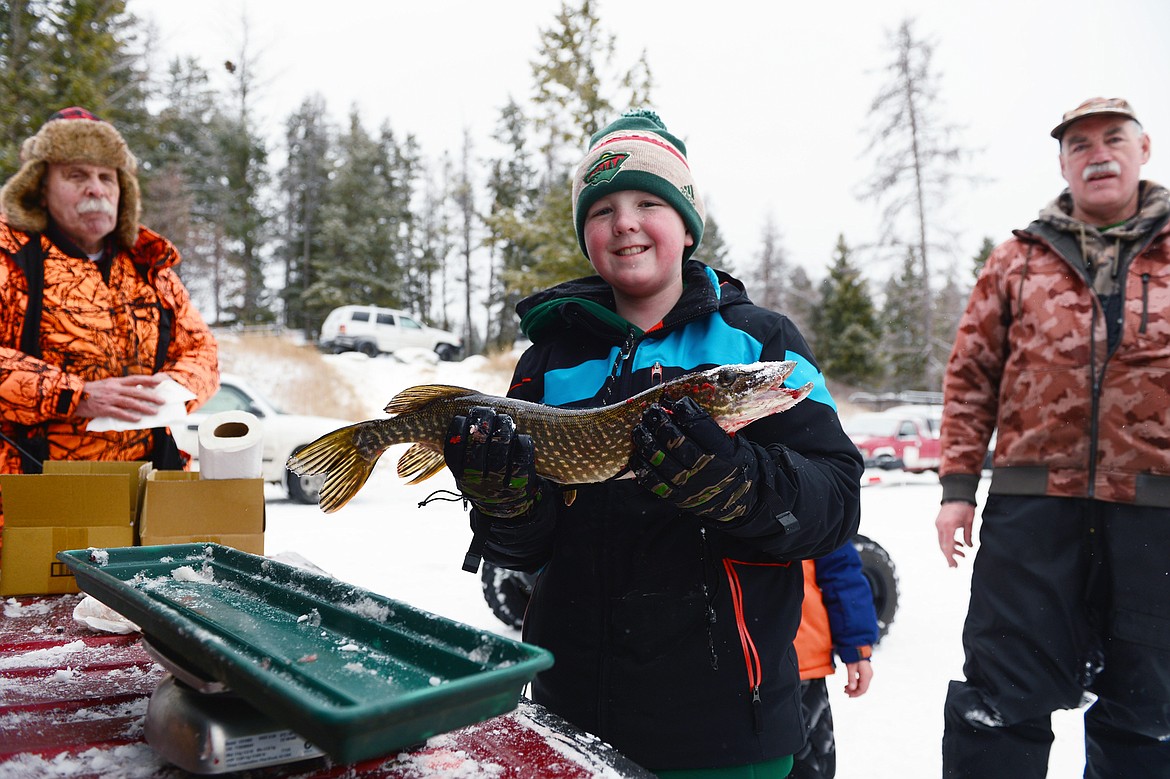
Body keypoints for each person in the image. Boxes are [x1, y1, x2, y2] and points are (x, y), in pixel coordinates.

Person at [442, 109, 863, 777]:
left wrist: (738, 482)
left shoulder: (761, 344)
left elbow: (835, 503)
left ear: (687, 224)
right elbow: (525, 548)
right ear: (586, 234)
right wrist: (506, 500)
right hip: (570, 712)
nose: (626, 221)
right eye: (603, 207)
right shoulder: (546, 363)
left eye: (648, 201)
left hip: (731, 726)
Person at [934, 97, 1170, 778]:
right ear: (1063, 162)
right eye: (1080, 144)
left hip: (1154, 515)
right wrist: (956, 488)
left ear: (1143, 148)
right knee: (1000, 699)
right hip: (1032, 514)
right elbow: (971, 374)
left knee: (1148, 713)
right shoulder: (1017, 258)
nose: (1098, 153)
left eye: (1113, 138)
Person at [0, 107, 219, 526]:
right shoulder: (10, 258)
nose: (95, 189)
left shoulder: (149, 268)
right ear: (40, 187)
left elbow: (202, 351)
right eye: (76, 175)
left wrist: (171, 391)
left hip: (146, 499)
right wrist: (76, 395)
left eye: (106, 177)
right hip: (31, 501)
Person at [790, 542, 877, 778]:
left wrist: (856, 642)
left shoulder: (807, 505)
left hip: (800, 664)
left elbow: (838, 564)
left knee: (811, 768)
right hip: (718, 671)